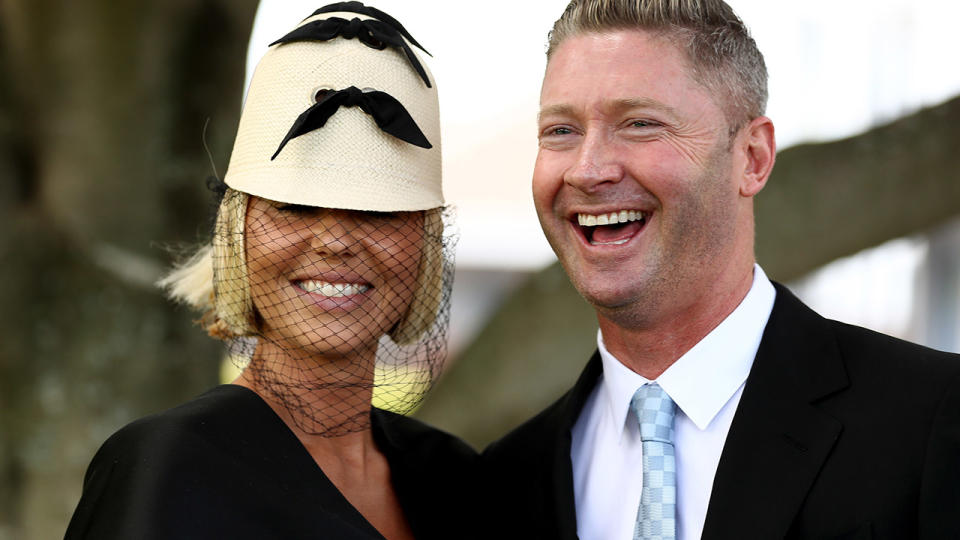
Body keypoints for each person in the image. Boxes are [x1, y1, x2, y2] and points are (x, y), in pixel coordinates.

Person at [481, 1, 960, 539]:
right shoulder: (503, 482)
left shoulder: (932, 420)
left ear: (751, 157)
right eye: (561, 131)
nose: (588, 169)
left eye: (640, 124)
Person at [65, 3, 474, 539]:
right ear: (238, 231)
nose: (336, 242)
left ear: (425, 241)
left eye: (379, 212)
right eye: (295, 207)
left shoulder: (459, 480)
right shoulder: (165, 469)